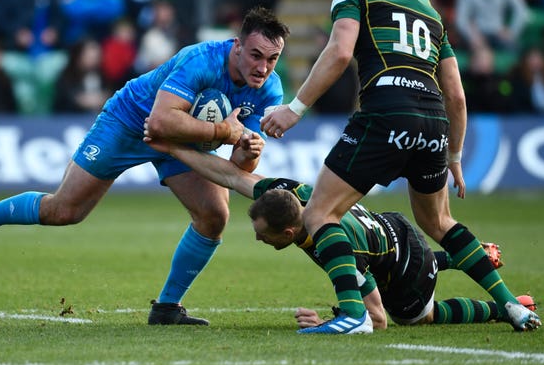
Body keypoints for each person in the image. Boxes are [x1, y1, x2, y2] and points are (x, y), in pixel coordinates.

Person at [260, 0, 541, 334]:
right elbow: (457, 95)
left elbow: (340, 52)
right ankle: (511, 304)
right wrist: (455, 157)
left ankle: (354, 315)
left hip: (386, 113)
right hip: (434, 122)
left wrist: (295, 109)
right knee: (441, 223)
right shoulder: (429, 10)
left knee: (320, 212)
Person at [0, 7, 290, 327]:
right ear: (237, 46)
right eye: (255, 55)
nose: (262, 67)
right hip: (129, 122)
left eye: (272, 59)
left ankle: (167, 307)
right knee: (66, 210)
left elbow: (238, 168)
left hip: (182, 144)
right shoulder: (200, 60)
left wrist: (249, 147)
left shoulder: (270, 90)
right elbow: (159, 122)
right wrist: (222, 132)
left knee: (215, 216)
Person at [142, 136, 515, 332]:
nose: (258, 240)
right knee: (376, 269)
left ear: (289, 232)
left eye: (264, 236)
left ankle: (500, 309)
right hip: (390, 230)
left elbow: (375, 319)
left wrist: (330, 322)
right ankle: (456, 258)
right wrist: (173, 148)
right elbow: (231, 175)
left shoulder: (330, 244)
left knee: (416, 317)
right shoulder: (295, 194)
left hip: (405, 267)